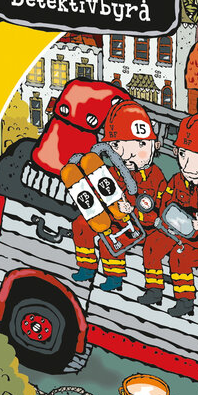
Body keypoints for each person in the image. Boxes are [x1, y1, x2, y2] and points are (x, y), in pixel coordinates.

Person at [139, 114, 198, 316]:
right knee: (152, 244)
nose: (191, 167)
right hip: (175, 231)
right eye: (184, 155)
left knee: (180, 256)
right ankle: (154, 289)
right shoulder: (177, 180)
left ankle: (185, 301)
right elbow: (165, 203)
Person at [69, 101, 166, 291]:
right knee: (81, 225)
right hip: (110, 216)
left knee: (110, 240)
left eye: (141, 144)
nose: (129, 154)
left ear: (155, 145)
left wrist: (133, 211)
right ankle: (87, 266)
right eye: (117, 145)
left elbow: (156, 209)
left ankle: (115, 277)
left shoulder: (155, 177)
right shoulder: (111, 171)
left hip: (138, 224)